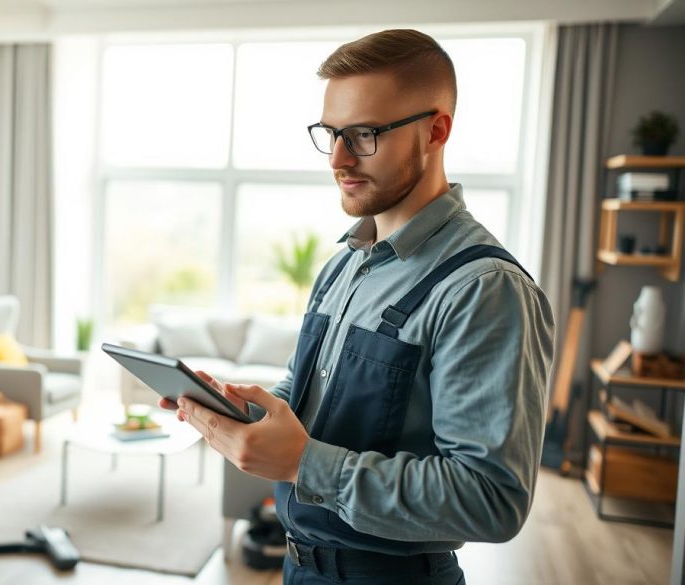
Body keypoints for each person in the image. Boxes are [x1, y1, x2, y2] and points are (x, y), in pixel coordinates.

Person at [161, 29, 555, 585]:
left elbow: (491, 499)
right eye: (331, 133)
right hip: (300, 570)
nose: (339, 159)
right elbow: (312, 405)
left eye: (365, 134)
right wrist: (239, 412)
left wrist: (303, 462)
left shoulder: (484, 289)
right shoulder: (343, 265)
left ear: (435, 130)